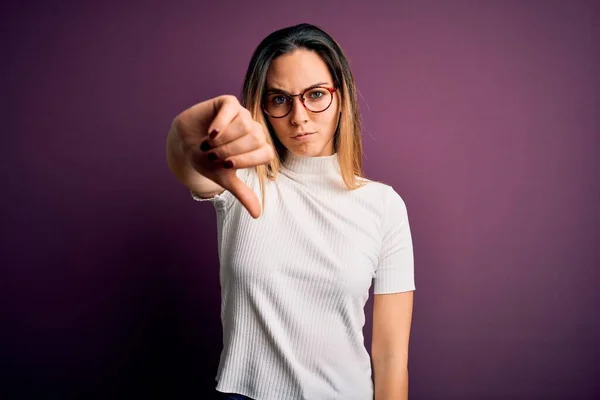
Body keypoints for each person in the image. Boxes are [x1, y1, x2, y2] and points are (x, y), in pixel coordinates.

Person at [165, 23, 415, 400]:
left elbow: (391, 356)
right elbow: (192, 169)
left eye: (316, 95)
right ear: (263, 105)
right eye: (280, 99)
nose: (299, 116)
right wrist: (181, 137)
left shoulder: (384, 206)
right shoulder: (242, 179)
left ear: (342, 96)